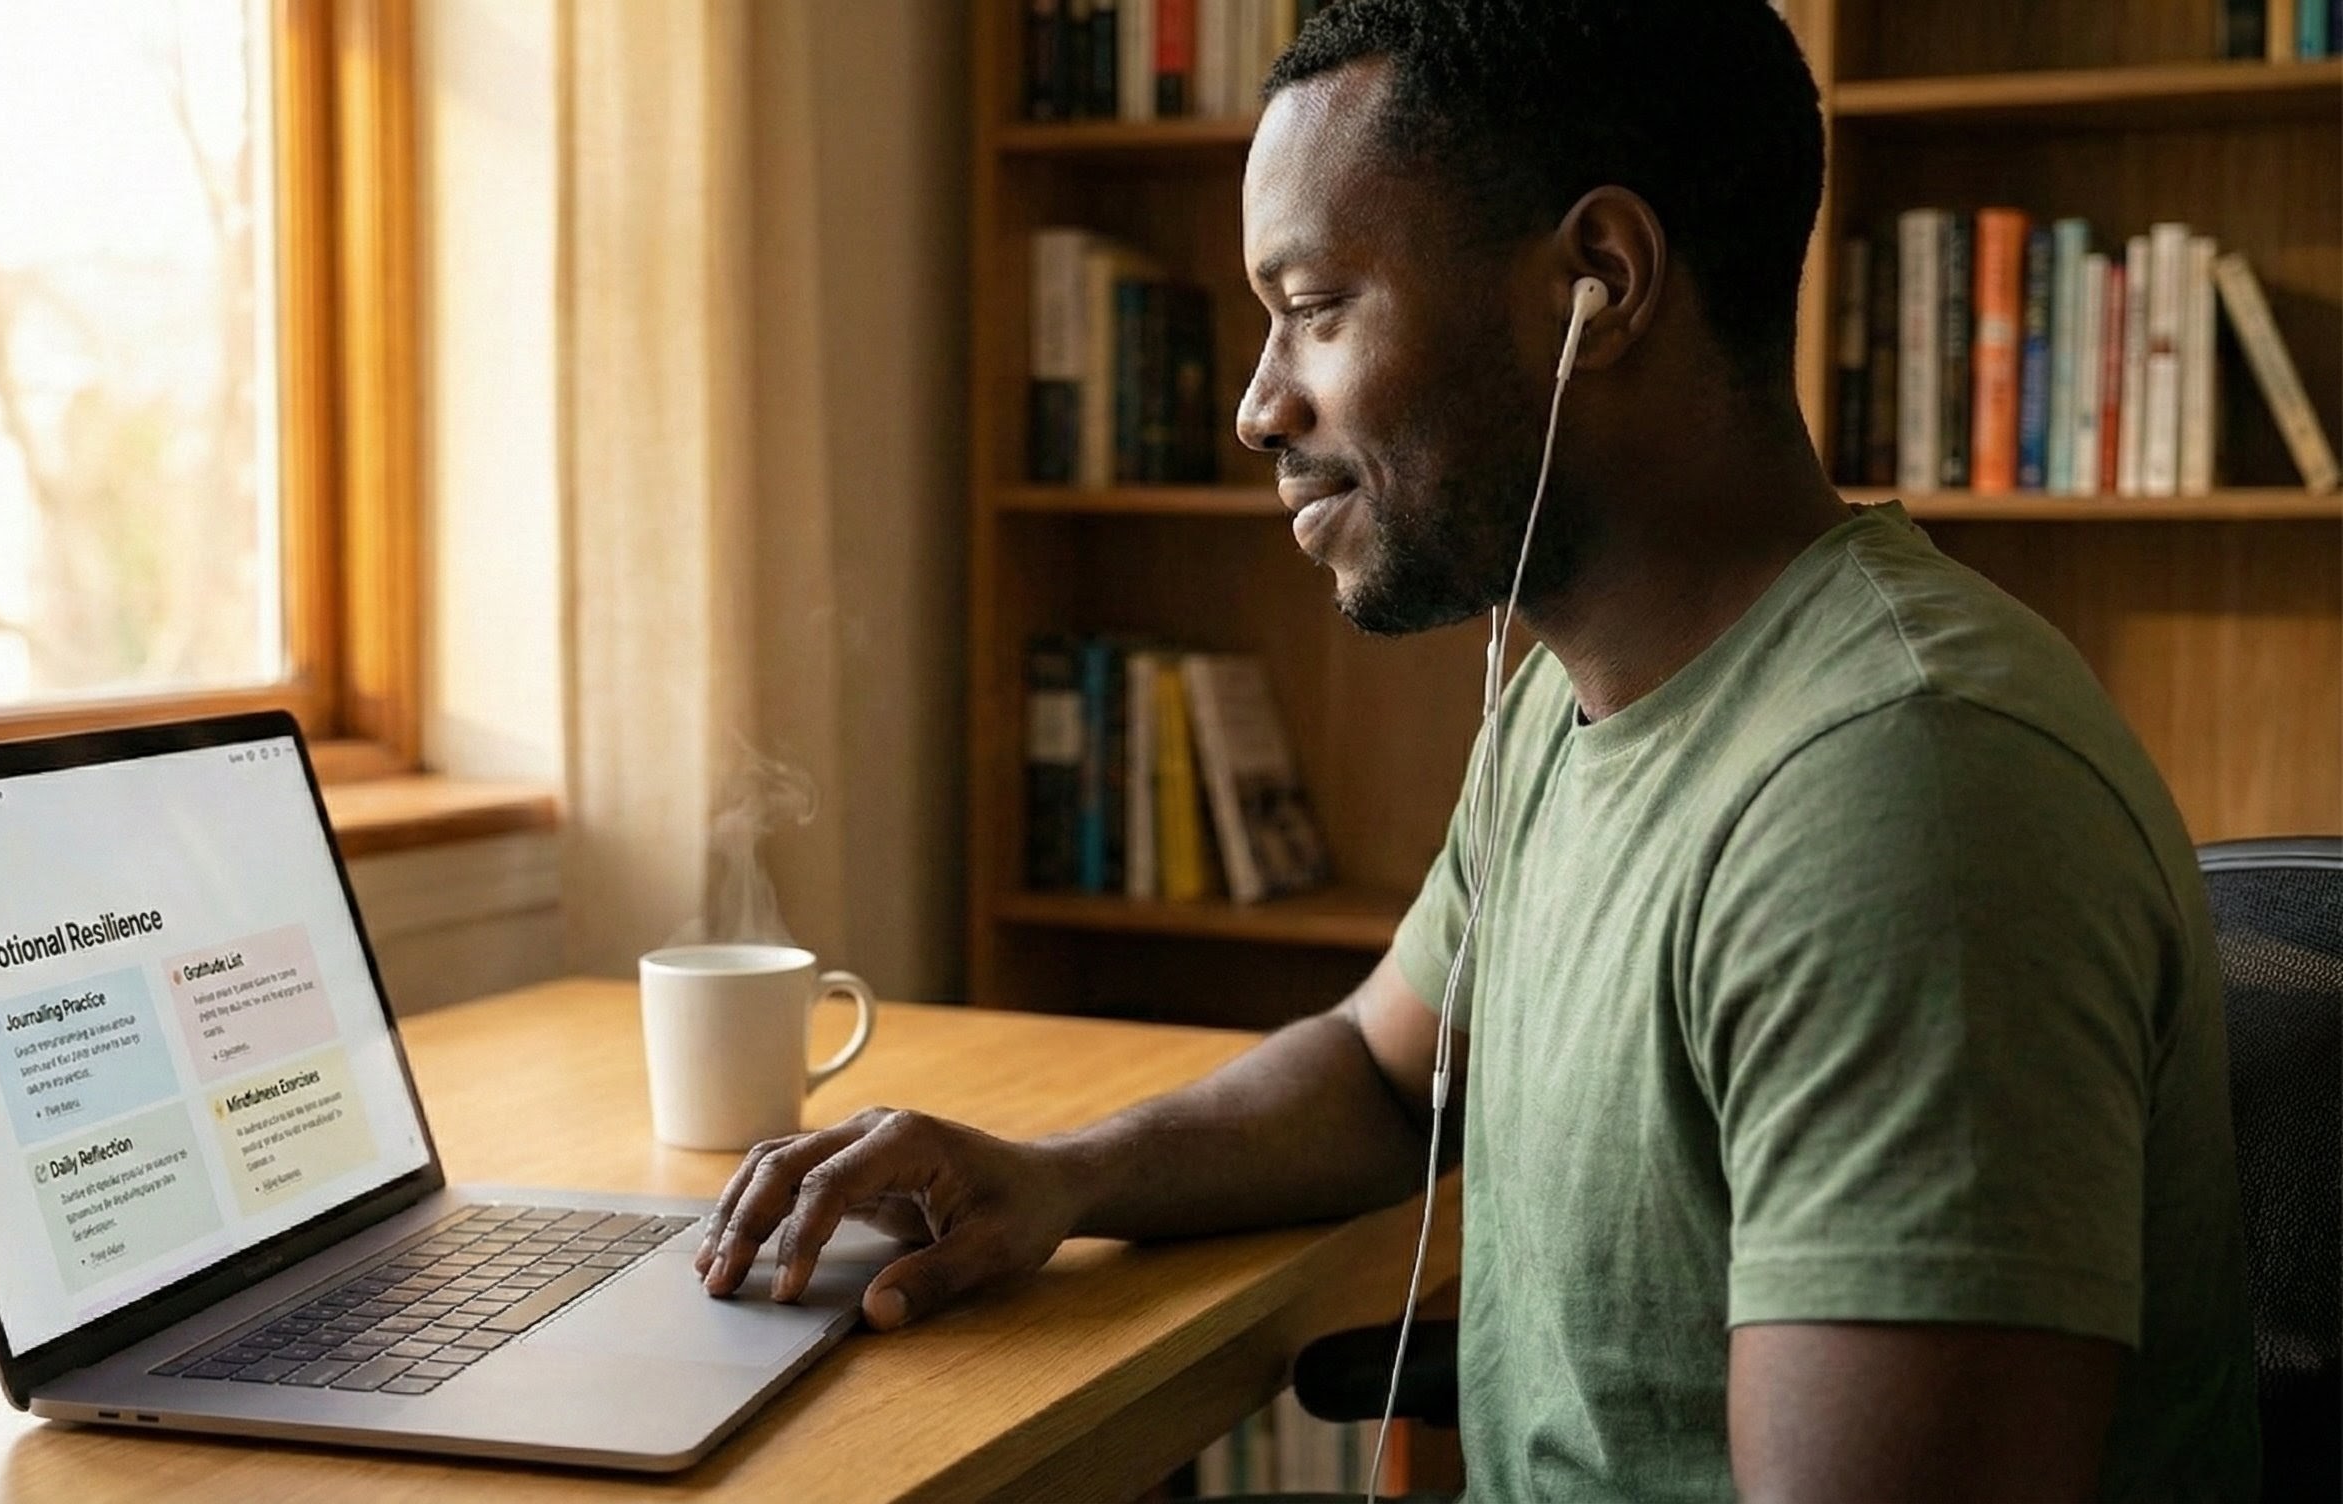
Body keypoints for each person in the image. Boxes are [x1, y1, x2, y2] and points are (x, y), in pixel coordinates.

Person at [694, 2, 2261, 1498]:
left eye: (1314, 308)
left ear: (1602, 277)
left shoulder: (1901, 800)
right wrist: (1060, 1179)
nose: (1255, 408)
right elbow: (1391, 1073)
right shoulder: (1564, 700)